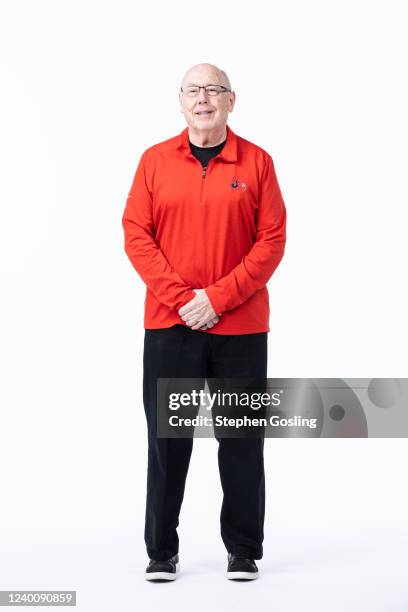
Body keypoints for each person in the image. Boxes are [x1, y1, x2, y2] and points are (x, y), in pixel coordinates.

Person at [122, 62, 287, 581]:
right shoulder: (154, 162)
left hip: (240, 328)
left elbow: (272, 241)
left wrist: (216, 298)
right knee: (167, 441)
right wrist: (182, 300)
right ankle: (160, 551)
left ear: (231, 101)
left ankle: (243, 549)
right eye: (194, 89)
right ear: (180, 101)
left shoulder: (257, 163)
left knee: (241, 438)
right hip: (169, 327)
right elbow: (135, 235)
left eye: (214, 89)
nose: (203, 98)